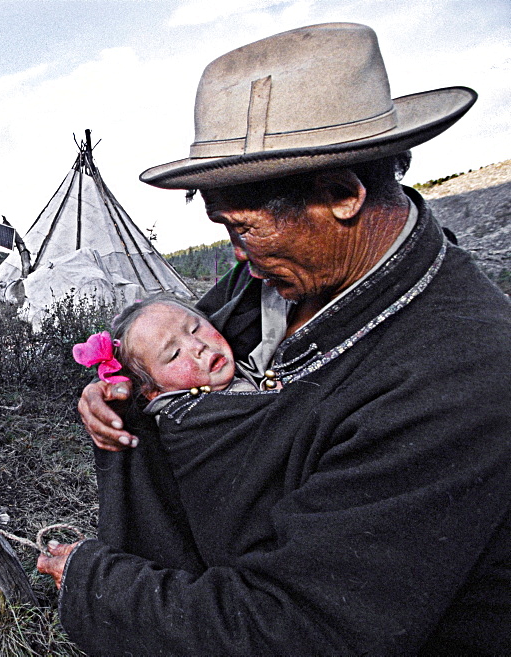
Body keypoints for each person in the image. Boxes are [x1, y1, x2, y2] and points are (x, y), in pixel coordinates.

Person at [37, 22, 511, 655]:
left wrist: (99, 585)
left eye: (244, 230)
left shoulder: (458, 378)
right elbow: (162, 347)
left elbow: (298, 629)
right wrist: (117, 390)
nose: (237, 255)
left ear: (341, 194)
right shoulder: (274, 278)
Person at [72, 295, 256, 422]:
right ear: (153, 391)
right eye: (175, 353)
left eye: (195, 328)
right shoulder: (190, 417)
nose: (198, 345)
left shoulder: (246, 366)